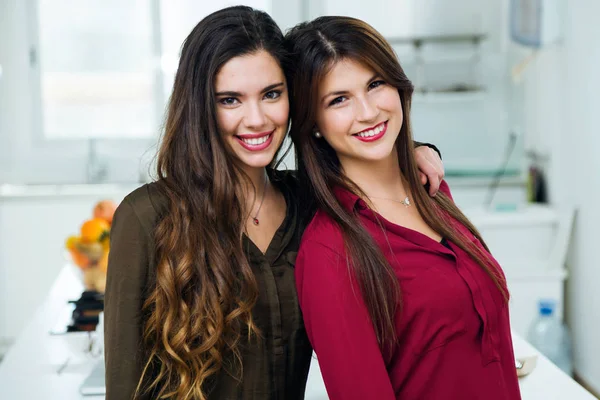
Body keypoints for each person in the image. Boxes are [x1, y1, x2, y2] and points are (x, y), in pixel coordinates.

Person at [104, 6, 444, 400]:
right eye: (230, 100)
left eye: (271, 94)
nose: (257, 119)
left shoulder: (313, 202)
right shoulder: (146, 218)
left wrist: (416, 150)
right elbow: (125, 386)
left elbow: (365, 150)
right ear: (200, 108)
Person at [285, 16, 521, 400]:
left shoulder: (433, 190)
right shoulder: (330, 252)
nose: (367, 111)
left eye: (375, 84)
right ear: (314, 123)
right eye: (338, 100)